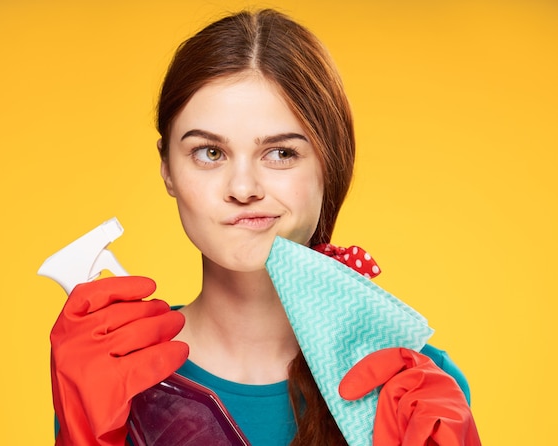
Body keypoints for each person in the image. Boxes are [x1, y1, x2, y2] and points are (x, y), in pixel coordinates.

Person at [49, 8, 481, 446]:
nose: (243, 187)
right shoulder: (114, 375)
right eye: (209, 153)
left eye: (280, 153)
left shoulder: (416, 386)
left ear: (330, 163)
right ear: (167, 169)